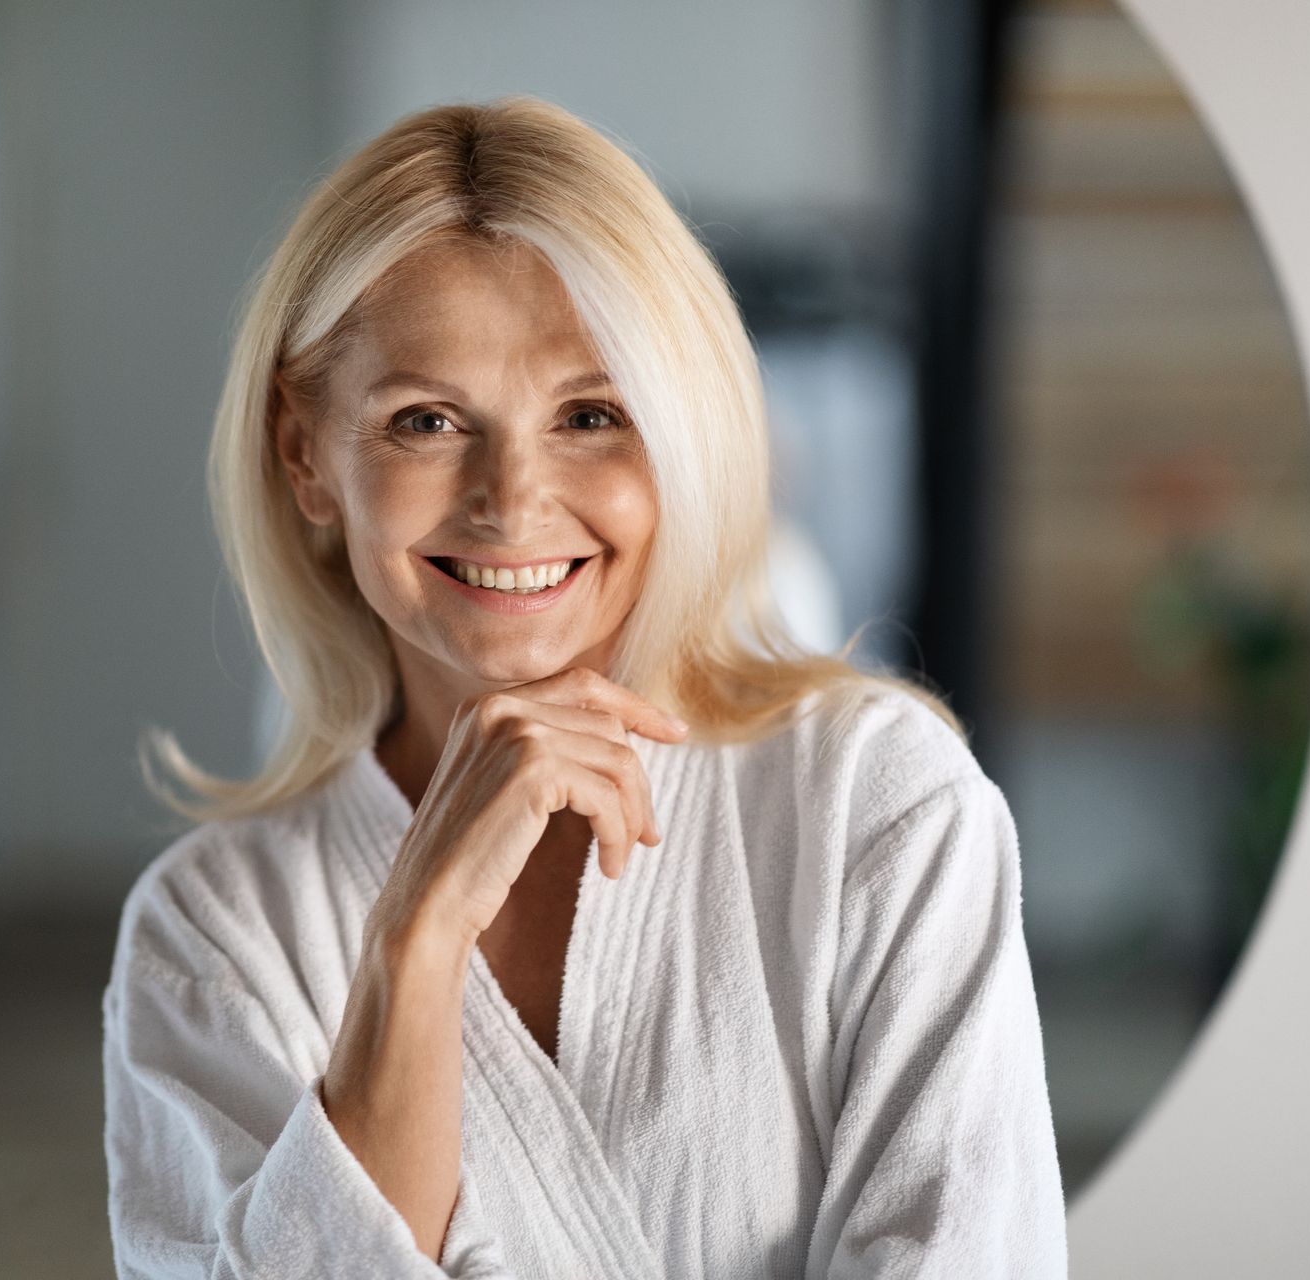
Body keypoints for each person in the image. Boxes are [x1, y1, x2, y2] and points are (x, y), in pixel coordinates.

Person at [102, 94, 1069, 1279]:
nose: (513, 499)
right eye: (427, 420)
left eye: (593, 413)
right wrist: (415, 942)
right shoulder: (213, 930)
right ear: (306, 455)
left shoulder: (880, 812)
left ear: (683, 428)